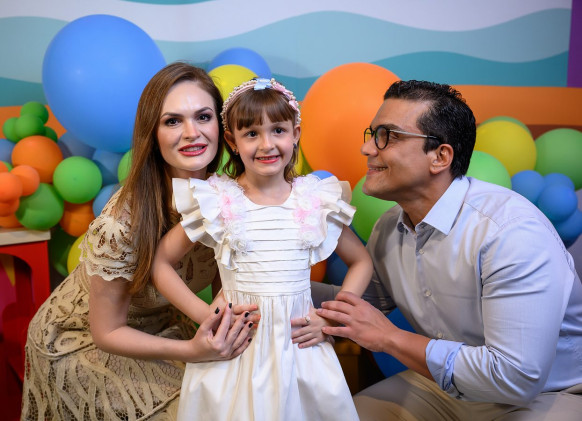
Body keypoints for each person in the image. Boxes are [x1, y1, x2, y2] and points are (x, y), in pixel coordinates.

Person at [312, 80, 582, 420]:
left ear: (440, 157)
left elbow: (515, 378)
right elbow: (358, 303)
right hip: (441, 387)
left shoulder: (511, 233)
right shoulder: (389, 226)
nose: (367, 148)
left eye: (387, 136)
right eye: (372, 134)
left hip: (545, 394)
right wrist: (266, 282)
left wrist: (390, 338)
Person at [21, 62, 259, 421]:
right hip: (86, 340)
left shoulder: (227, 196)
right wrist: (194, 350)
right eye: (172, 121)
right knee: (188, 411)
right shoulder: (122, 223)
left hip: (164, 324)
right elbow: (107, 331)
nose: (192, 133)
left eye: (203, 117)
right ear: (152, 133)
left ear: (221, 127)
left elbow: (225, 286)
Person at [151, 77, 373, 421]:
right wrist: (207, 316)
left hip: (299, 348)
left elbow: (361, 262)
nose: (267, 144)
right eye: (252, 133)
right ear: (232, 141)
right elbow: (161, 262)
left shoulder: (314, 200)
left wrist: (329, 318)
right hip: (239, 348)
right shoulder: (218, 200)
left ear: (295, 134)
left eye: (278, 131)